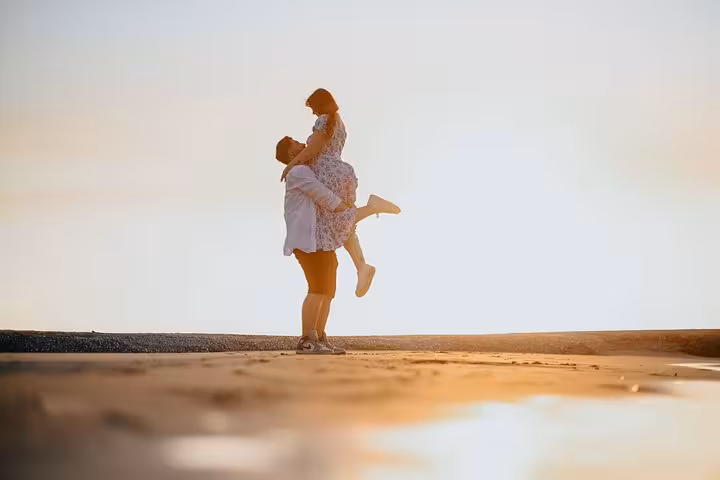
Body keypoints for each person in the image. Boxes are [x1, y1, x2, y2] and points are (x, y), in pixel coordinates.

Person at [277, 138, 395, 353]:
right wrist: (343, 208)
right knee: (317, 289)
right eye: (295, 144)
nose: (302, 144)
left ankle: (320, 338)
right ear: (288, 154)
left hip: (320, 239)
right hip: (307, 241)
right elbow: (320, 192)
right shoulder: (298, 172)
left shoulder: (305, 168)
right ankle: (306, 341)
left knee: (327, 291)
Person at [280, 88, 400, 298]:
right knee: (344, 224)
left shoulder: (324, 120)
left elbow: (312, 150)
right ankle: (361, 267)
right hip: (340, 171)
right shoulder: (338, 121)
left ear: (320, 105)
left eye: (313, 108)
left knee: (339, 219)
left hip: (328, 173)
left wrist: (289, 165)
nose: (313, 114)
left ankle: (373, 207)